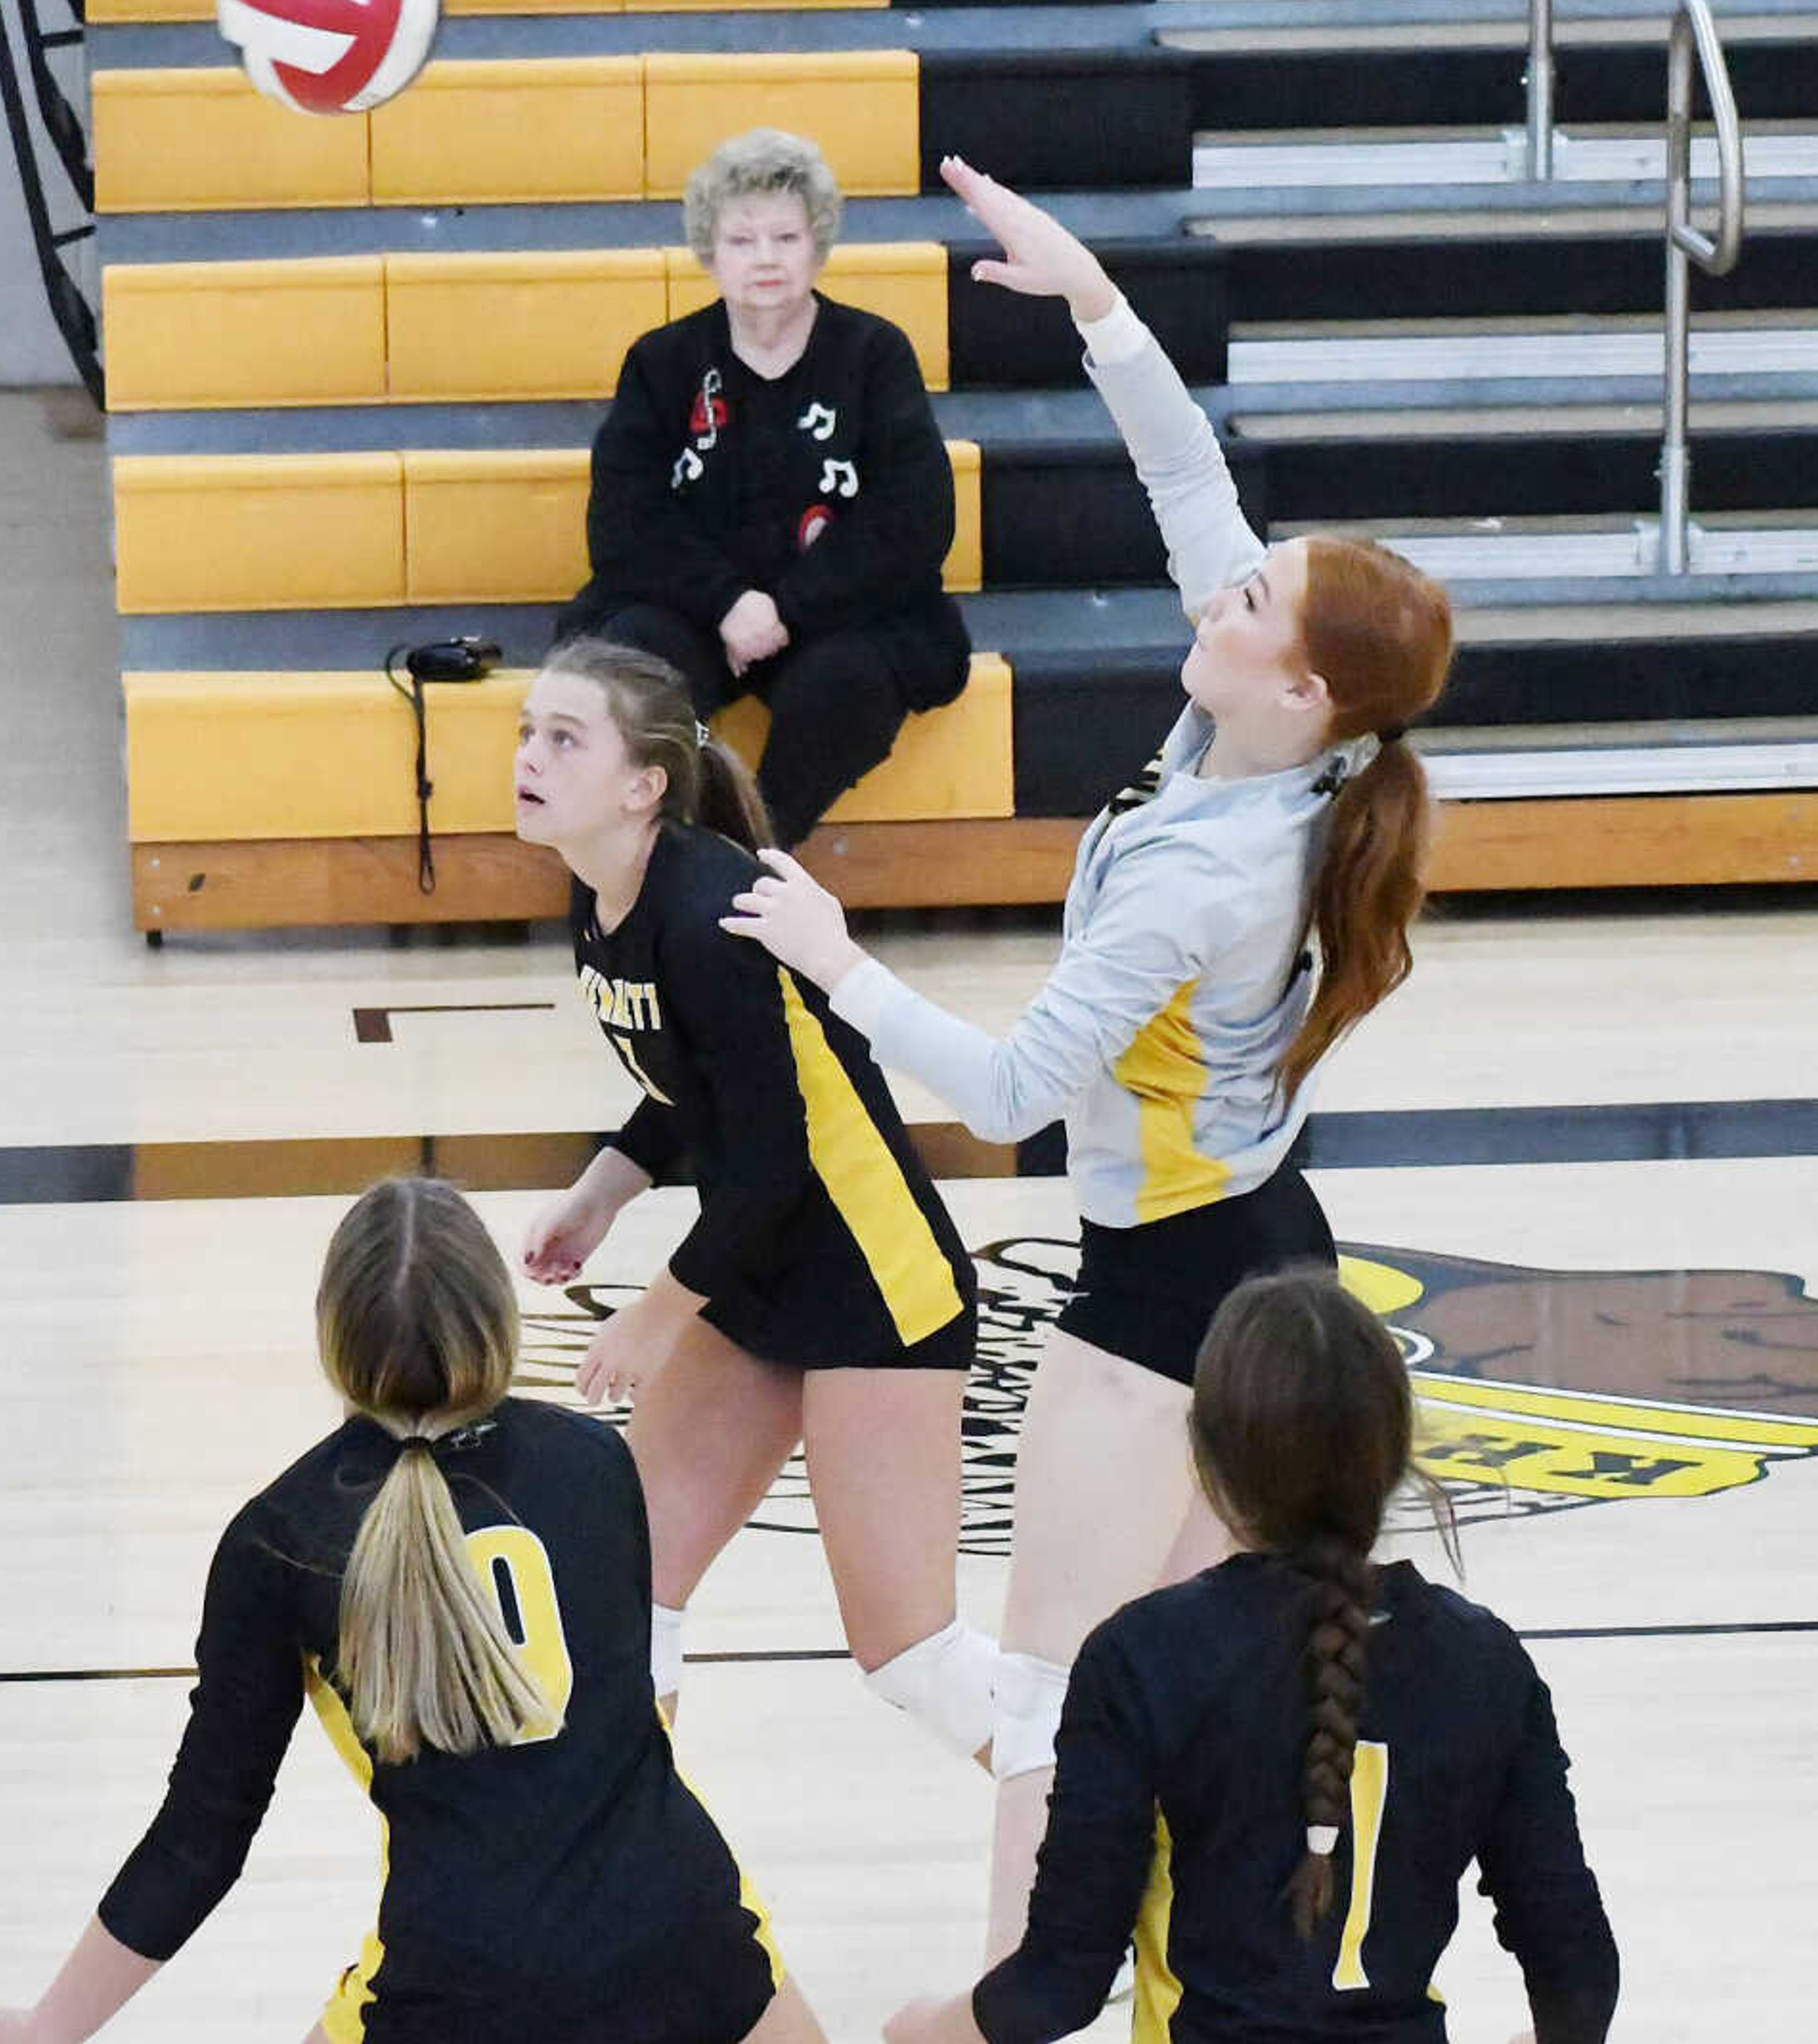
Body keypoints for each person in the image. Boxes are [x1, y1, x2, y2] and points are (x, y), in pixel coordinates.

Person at [723, 155, 1458, 1956]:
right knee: (1211, 1688)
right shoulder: (1283, 736)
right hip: (1262, 1246)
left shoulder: (1212, 874)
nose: (1208, 598)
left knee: (1049, 1696)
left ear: (1295, 688)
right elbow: (1186, 482)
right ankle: (1198, 1974)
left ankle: (1009, 1996)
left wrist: (835, 958)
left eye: (1243, 607)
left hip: (1168, 1298)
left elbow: (1003, 1095)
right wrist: (1093, 301)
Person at [0, 1176, 826, 2044]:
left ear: (336, 1341)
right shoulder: (597, 1460)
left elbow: (198, 1843)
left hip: (464, 1980)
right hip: (685, 1931)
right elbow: (633, 1714)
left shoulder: (281, 1536)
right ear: (498, 1319)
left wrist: (50, 2028)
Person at [883, 1272, 1619, 2044]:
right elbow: (1578, 1969)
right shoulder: (1486, 1663)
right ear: (1397, 1451)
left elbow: (1060, 1983)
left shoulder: (1145, 1657)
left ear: (1208, 1460)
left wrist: (920, 2030)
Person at [514, 635, 994, 1767]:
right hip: (762, 1264)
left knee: (913, 1659)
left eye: (563, 738)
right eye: (527, 733)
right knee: (621, 1598)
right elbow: (691, 1087)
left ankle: (1134, 1844)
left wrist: (652, 1317)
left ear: (644, 785)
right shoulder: (607, 892)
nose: (528, 757)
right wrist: (604, 1189)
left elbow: (778, 1163)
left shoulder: (709, 915)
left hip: (876, 1289)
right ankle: (638, 1887)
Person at [554, 124, 971, 847]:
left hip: (836, 613)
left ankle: (748, 857)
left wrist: (786, 609)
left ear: (819, 242)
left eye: (786, 237)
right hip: (691, 610)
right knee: (636, 670)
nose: (767, 259)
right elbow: (624, 523)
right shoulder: (661, 362)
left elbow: (915, 518)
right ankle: (657, 859)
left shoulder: (874, 354)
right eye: (743, 241)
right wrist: (727, 603)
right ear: (710, 252)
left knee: (846, 683)